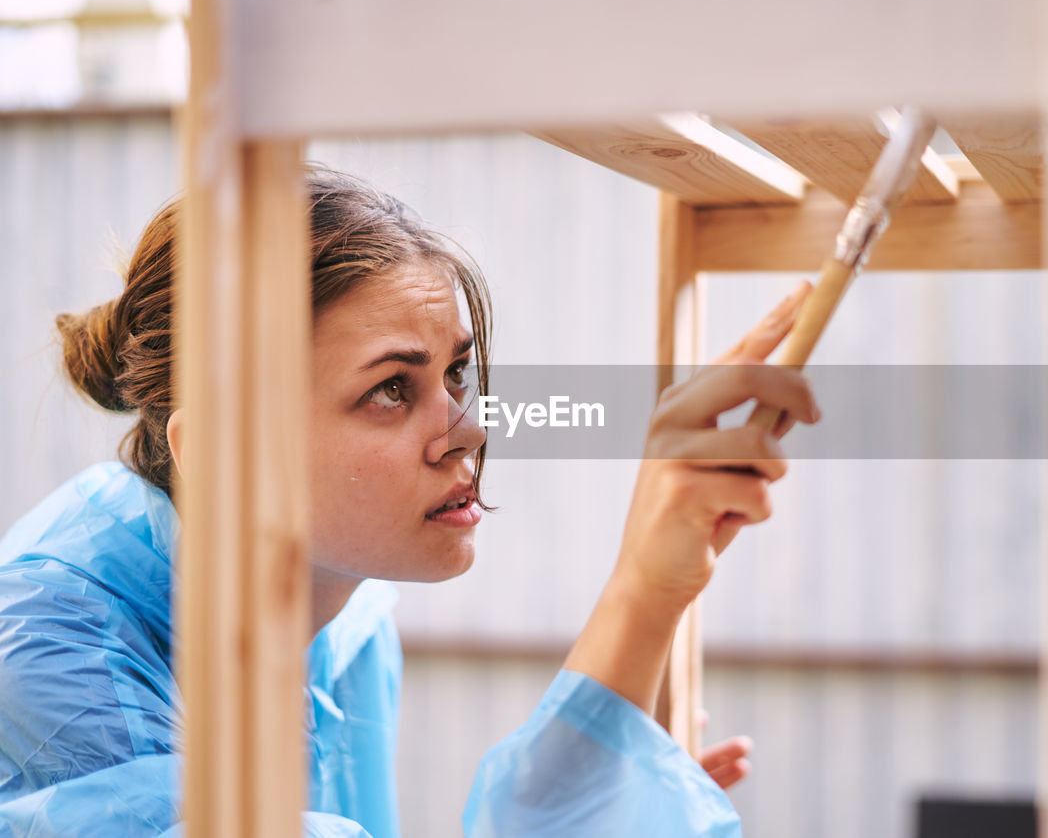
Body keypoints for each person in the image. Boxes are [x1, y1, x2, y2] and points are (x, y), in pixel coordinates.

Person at [0, 168, 818, 837]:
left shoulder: (343, 615)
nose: (465, 431)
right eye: (392, 387)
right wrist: (641, 596)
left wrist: (625, 787)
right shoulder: (50, 654)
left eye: (456, 373)